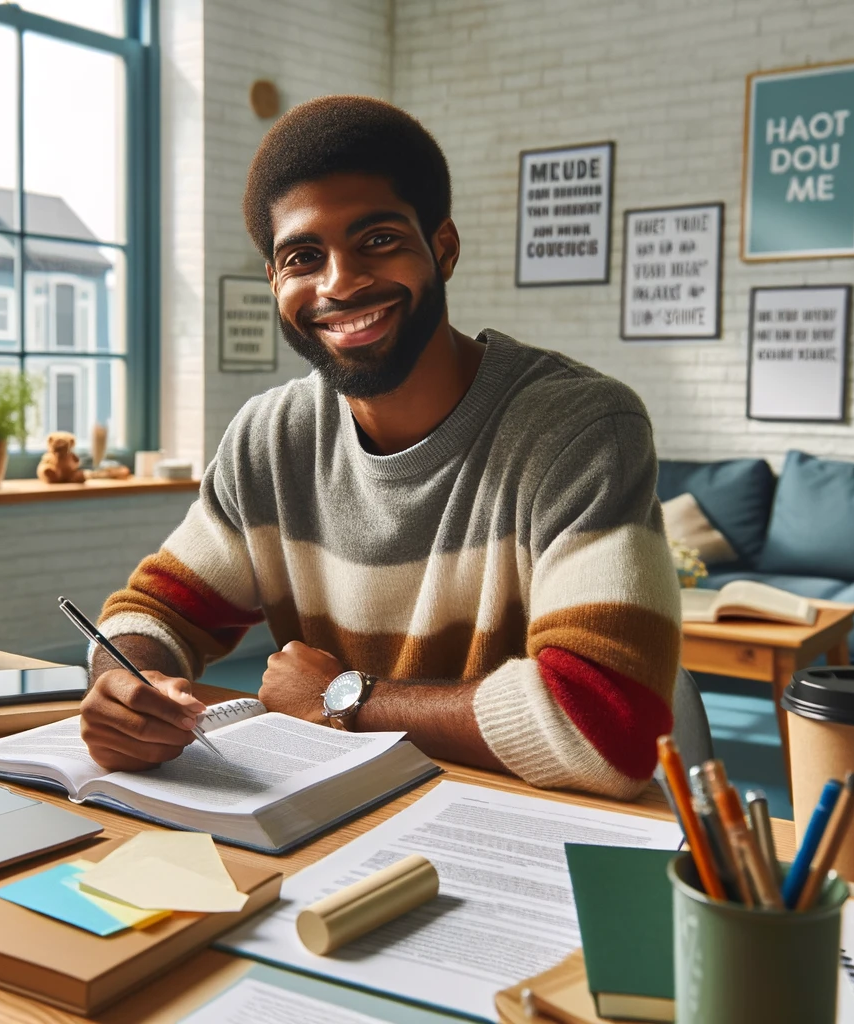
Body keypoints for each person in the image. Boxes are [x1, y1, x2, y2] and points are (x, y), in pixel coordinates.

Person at [81, 96, 681, 798]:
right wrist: (126, 682)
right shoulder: (270, 438)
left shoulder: (578, 428)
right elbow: (152, 612)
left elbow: (609, 730)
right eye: (304, 256)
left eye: (377, 241)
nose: (340, 282)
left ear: (443, 249)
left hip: (518, 840)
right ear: (276, 282)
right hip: (334, 821)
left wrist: (344, 698)